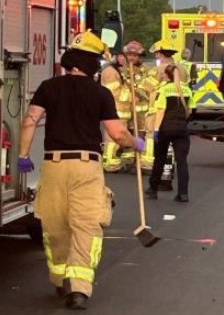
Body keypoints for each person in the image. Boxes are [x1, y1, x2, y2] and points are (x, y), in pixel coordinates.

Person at [18, 31, 144, 310]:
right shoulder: (100, 93)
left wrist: (23, 156)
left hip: (53, 165)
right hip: (86, 167)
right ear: (91, 63)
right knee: (85, 225)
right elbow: (116, 133)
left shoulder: (48, 87)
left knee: (55, 225)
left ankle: (59, 278)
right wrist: (136, 142)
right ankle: (79, 290)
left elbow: (29, 122)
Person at [145, 63, 196, 202]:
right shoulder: (187, 90)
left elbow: (160, 111)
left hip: (165, 128)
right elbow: (189, 111)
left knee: (159, 160)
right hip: (182, 129)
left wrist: (156, 130)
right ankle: (183, 193)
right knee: (182, 161)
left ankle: (153, 189)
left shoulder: (164, 90)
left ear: (167, 75)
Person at [121, 40, 156, 170]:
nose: (132, 57)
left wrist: (138, 90)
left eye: (135, 55)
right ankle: (128, 158)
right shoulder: (121, 69)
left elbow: (150, 86)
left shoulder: (146, 70)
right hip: (126, 107)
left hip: (141, 108)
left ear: (140, 56)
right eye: (129, 55)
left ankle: (140, 160)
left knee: (141, 134)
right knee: (127, 133)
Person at [100, 52, 131, 172]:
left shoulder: (117, 70)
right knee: (112, 138)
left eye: (125, 56)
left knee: (115, 138)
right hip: (115, 109)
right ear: (115, 57)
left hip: (120, 110)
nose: (124, 59)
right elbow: (113, 92)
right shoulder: (109, 72)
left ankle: (111, 161)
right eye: (121, 56)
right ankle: (109, 163)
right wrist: (132, 96)